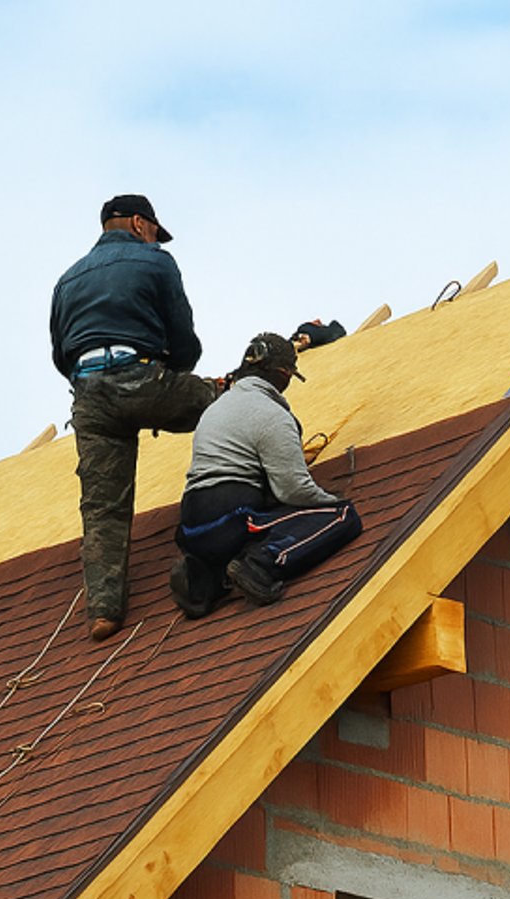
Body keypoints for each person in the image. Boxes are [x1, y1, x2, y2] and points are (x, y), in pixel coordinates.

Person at [50, 194, 216, 641]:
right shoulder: (156, 261)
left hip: (89, 394)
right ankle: (276, 458)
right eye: (153, 231)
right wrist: (178, 379)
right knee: (220, 405)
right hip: (139, 375)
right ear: (141, 224)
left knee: (103, 508)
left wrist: (93, 382)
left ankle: (104, 611)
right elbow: (183, 338)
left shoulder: (67, 280)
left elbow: (59, 352)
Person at [169, 332, 361, 618]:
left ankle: (205, 579)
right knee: (343, 516)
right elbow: (292, 490)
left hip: (192, 529)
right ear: (283, 374)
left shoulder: (215, 409)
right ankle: (261, 564)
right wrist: (328, 499)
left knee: (256, 526)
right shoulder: (272, 415)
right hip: (235, 517)